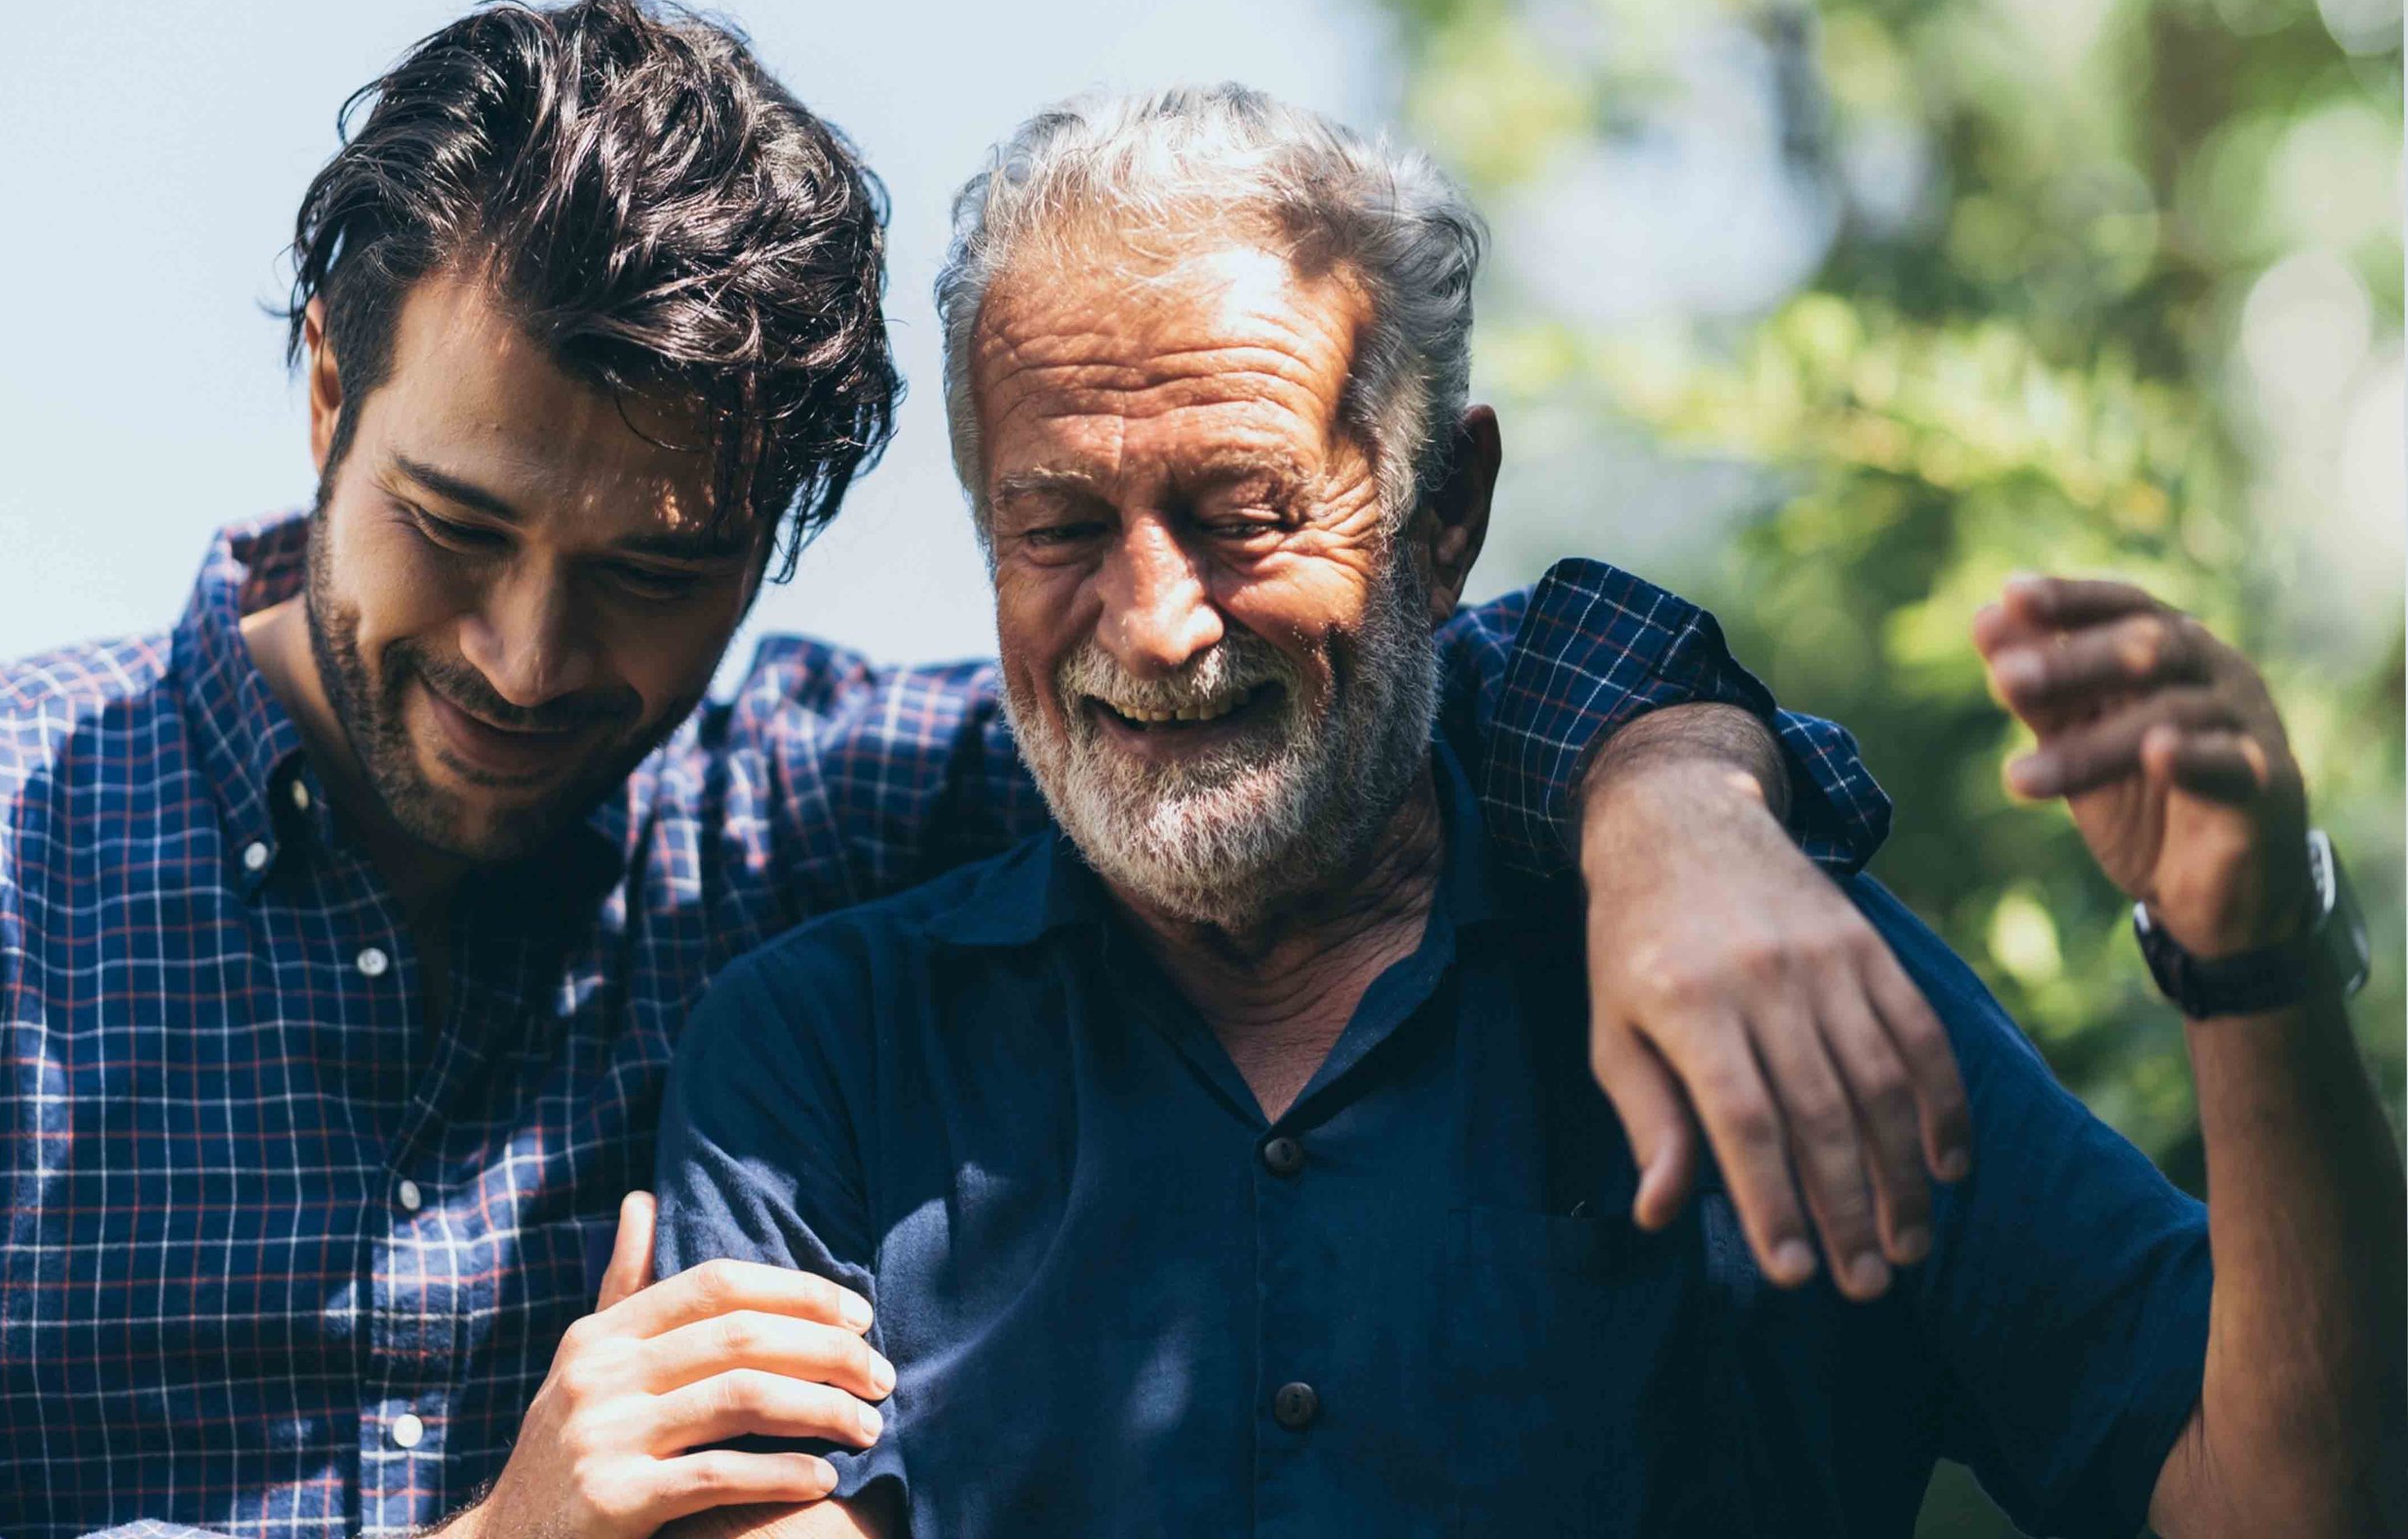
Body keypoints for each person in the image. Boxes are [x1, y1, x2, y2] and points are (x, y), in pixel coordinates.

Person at [0, 0, 1969, 1539]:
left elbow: (1379, 684)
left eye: (653, 574)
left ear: (768, 543)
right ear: (328, 389)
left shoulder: (807, 817)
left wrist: (1680, 808)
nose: (527, 655)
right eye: (460, 526)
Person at [655, 86, 2405, 1538]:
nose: (1155, 620)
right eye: (1055, 528)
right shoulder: (821, 1062)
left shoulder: (1770, 967)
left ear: (1443, 512)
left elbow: (2284, 1506)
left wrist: (2250, 965)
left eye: (1243, 512)